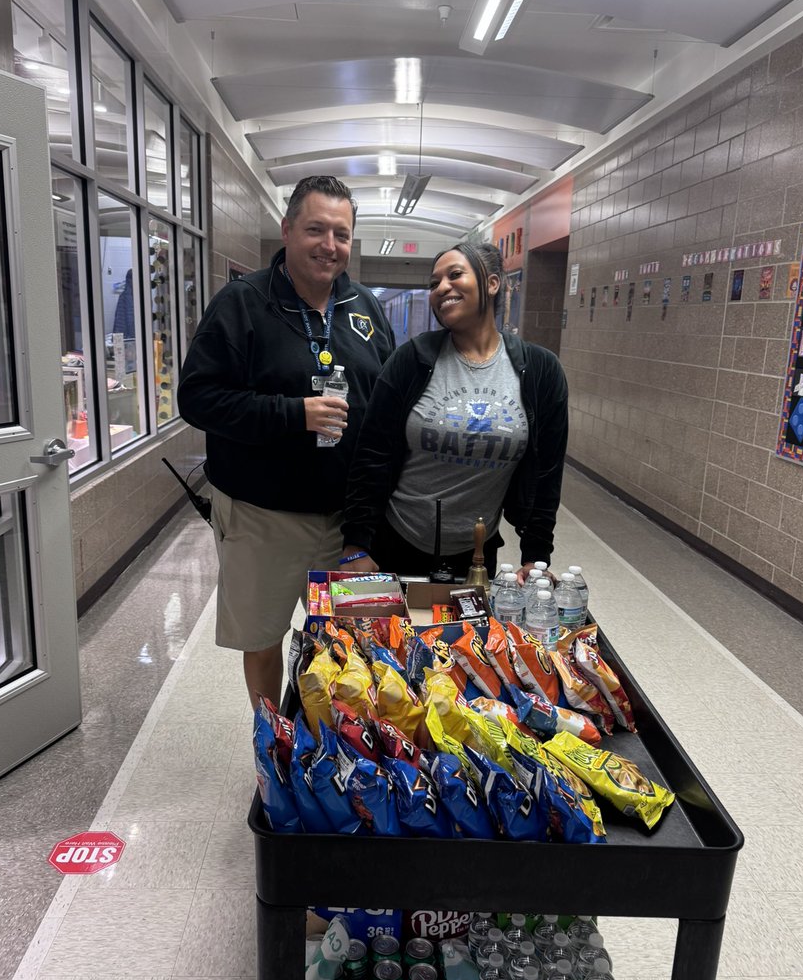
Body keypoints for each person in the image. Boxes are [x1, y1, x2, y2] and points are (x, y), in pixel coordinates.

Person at [178, 176, 395, 710]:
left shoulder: (364, 308)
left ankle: (344, 743)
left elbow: (387, 399)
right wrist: (292, 413)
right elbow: (198, 398)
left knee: (349, 643)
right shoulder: (242, 304)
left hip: (346, 522)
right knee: (263, 638)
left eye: (341, 234)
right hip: (261, 516)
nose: (329, 245)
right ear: (287, 230)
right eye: (316, 229)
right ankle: (270, 742)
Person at [341, 240, 568, 581]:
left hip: (477, 553)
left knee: (465, 636)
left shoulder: (539, 371)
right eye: (434, 283)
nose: (441, 288)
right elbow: (371, 454)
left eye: (455, 274)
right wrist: (356, 544)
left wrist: (536, 557)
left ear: (492, 284)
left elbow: (546, 474)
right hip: (394, 543)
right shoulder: (412, 360)